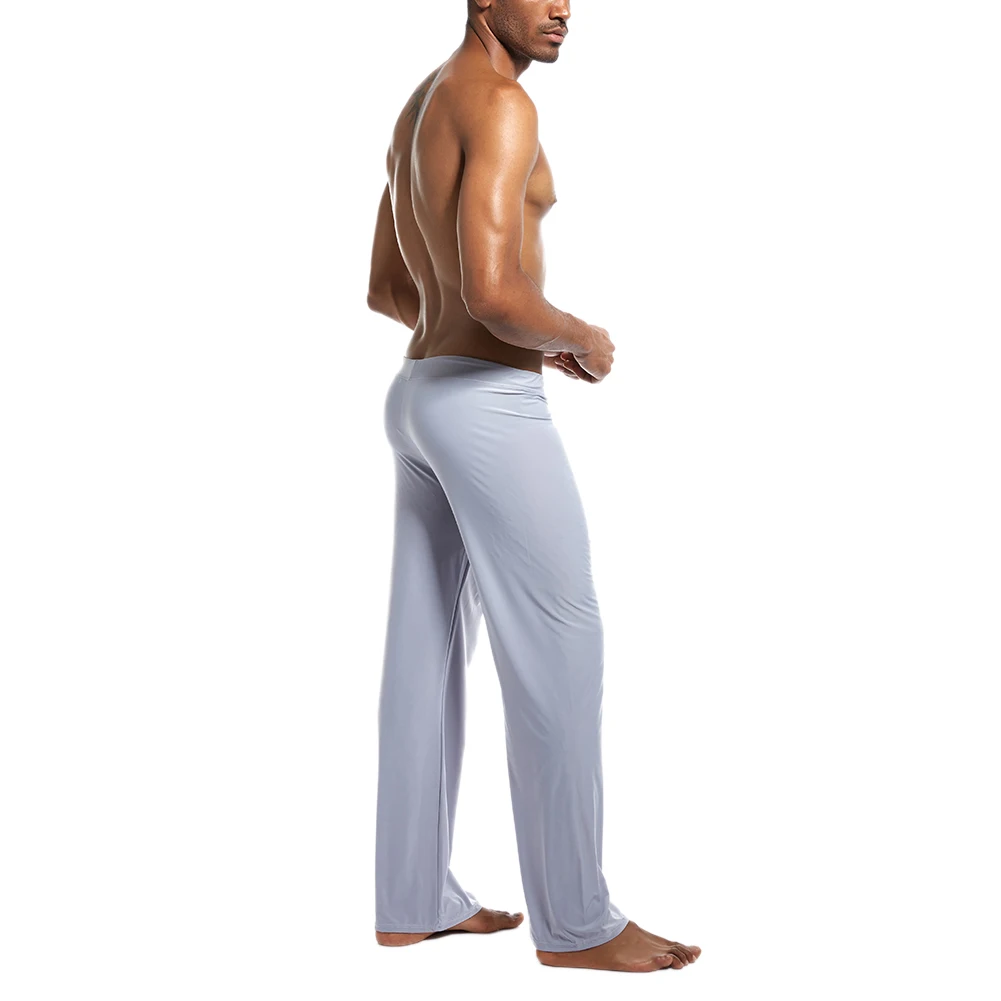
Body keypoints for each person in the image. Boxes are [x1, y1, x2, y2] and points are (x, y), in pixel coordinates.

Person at [366, 1, 701, 974]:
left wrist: (506, 337)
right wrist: (574, 336)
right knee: (561, 643)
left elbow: (392, 288)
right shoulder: (501, 103)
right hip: (483, 406)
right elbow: (490, 289)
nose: (563, 7)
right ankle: (578, 921)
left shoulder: (421, 104)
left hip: (420, 394)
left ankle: (410, 898)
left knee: (423, 653)